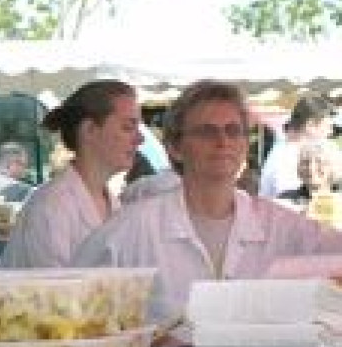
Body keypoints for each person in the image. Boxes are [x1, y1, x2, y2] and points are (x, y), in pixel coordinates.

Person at [71, 79, 342, 333]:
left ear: (245, 145)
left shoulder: (279, 224)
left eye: (233, 131)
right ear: (175, 147)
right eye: (206, 132)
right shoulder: (130, 230)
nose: (222, 141)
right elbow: (72, 310)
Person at [0, 80, 141, 269]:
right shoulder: (52, 207)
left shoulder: (113, 204)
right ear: (89, 130)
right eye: (127, 127)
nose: (140, 139)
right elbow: (54, 294)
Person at [258, 93, 334, 198]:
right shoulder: (288, 159)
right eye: (328, 126)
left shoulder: (289, 152)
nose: (330, 132)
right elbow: (291, 206)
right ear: (310, 125)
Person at [276, 141, 338, 208]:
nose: (311, 168)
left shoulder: (339, 201)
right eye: (305, 162)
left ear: (333, 167)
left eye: (320, 162)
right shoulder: (285, 200)